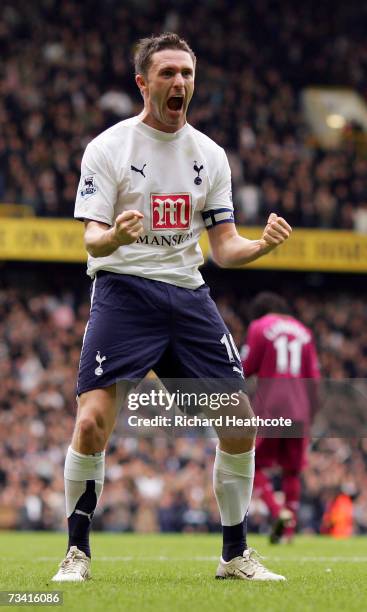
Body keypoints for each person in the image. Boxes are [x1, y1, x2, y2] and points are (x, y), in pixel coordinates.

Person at [51, 33, 292, 583]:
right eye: (167, 73)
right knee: (90, 425)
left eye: (186, 72)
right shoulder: (109, 147)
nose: (179, 82)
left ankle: (235, 556)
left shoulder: (210, 155)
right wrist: (114, 238)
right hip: (124, 292)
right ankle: (77, 554)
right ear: (144, 82)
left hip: (188, 296)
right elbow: (91, 238)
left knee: (238, 426)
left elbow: (224, 247)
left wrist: (261, 247)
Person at [241, 292, 320, 543]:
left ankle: (278, 513)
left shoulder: (259, 327)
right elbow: (315, 380)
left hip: (271, 405)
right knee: (292, 471)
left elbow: (245, 366)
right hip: (300, 407)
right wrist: (311, 413)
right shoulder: (304, 331)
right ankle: (288, 532)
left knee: (253, 464)